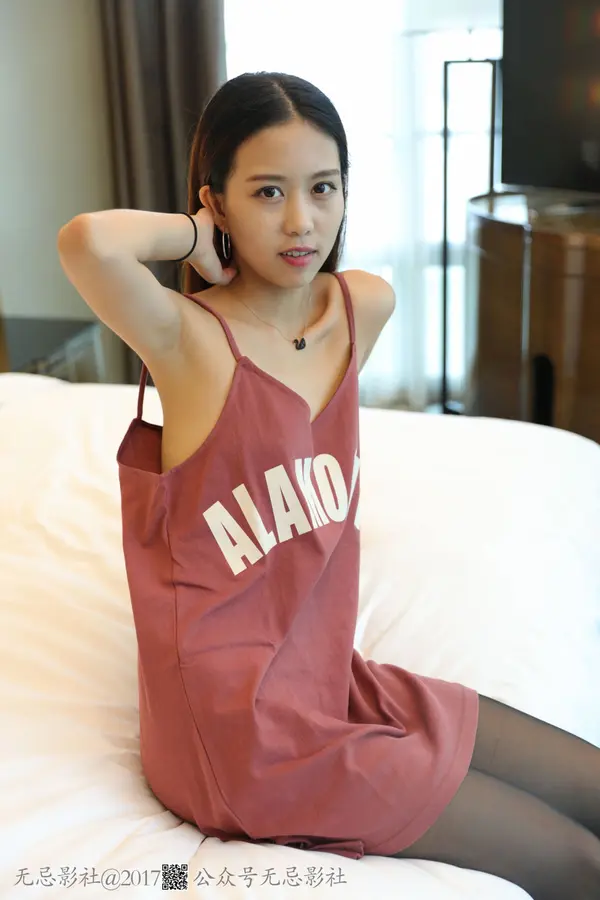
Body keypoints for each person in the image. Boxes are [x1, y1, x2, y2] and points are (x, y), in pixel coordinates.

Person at [57, 72, 600, 900]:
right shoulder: (187, 341)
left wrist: (239, 211)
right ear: (217, 201)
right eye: (267, 192)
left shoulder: (362, 308)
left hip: (330, 680)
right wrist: (194, 237)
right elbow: (88, 243)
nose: (301, 222)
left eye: (323, 188)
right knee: (579, 862)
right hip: (238, 739)